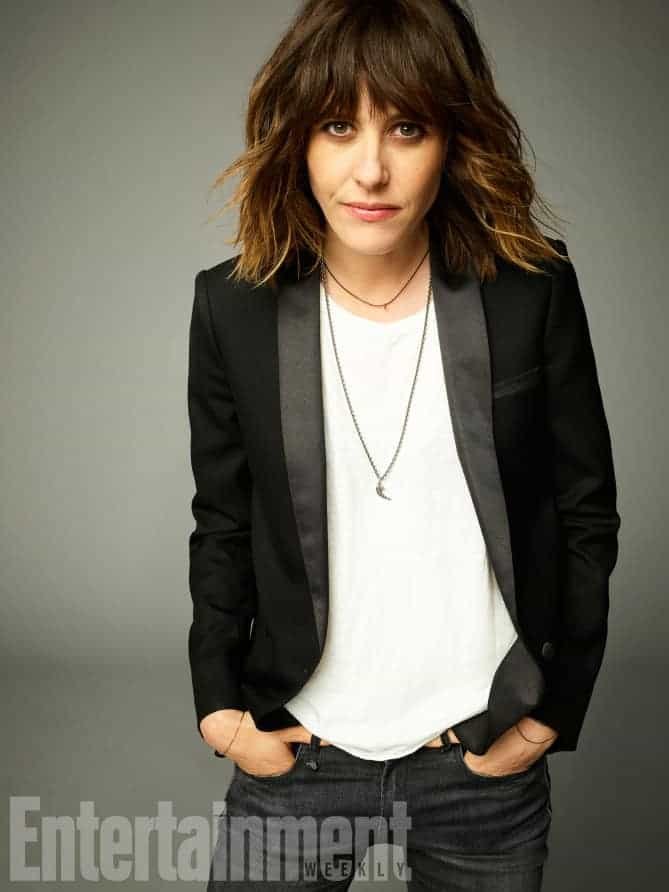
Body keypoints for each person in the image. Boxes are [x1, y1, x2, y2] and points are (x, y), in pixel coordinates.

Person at [186, 1, 621, 888]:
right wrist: (219, 708)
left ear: (453, 141)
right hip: (297, 751)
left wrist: (554, 709)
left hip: (477, 755)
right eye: (337, 126)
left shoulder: (528, 291)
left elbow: (585, 510)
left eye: (407, 128)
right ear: (297, 140)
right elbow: (223, 520)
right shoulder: (233, 307)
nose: (371, 169)